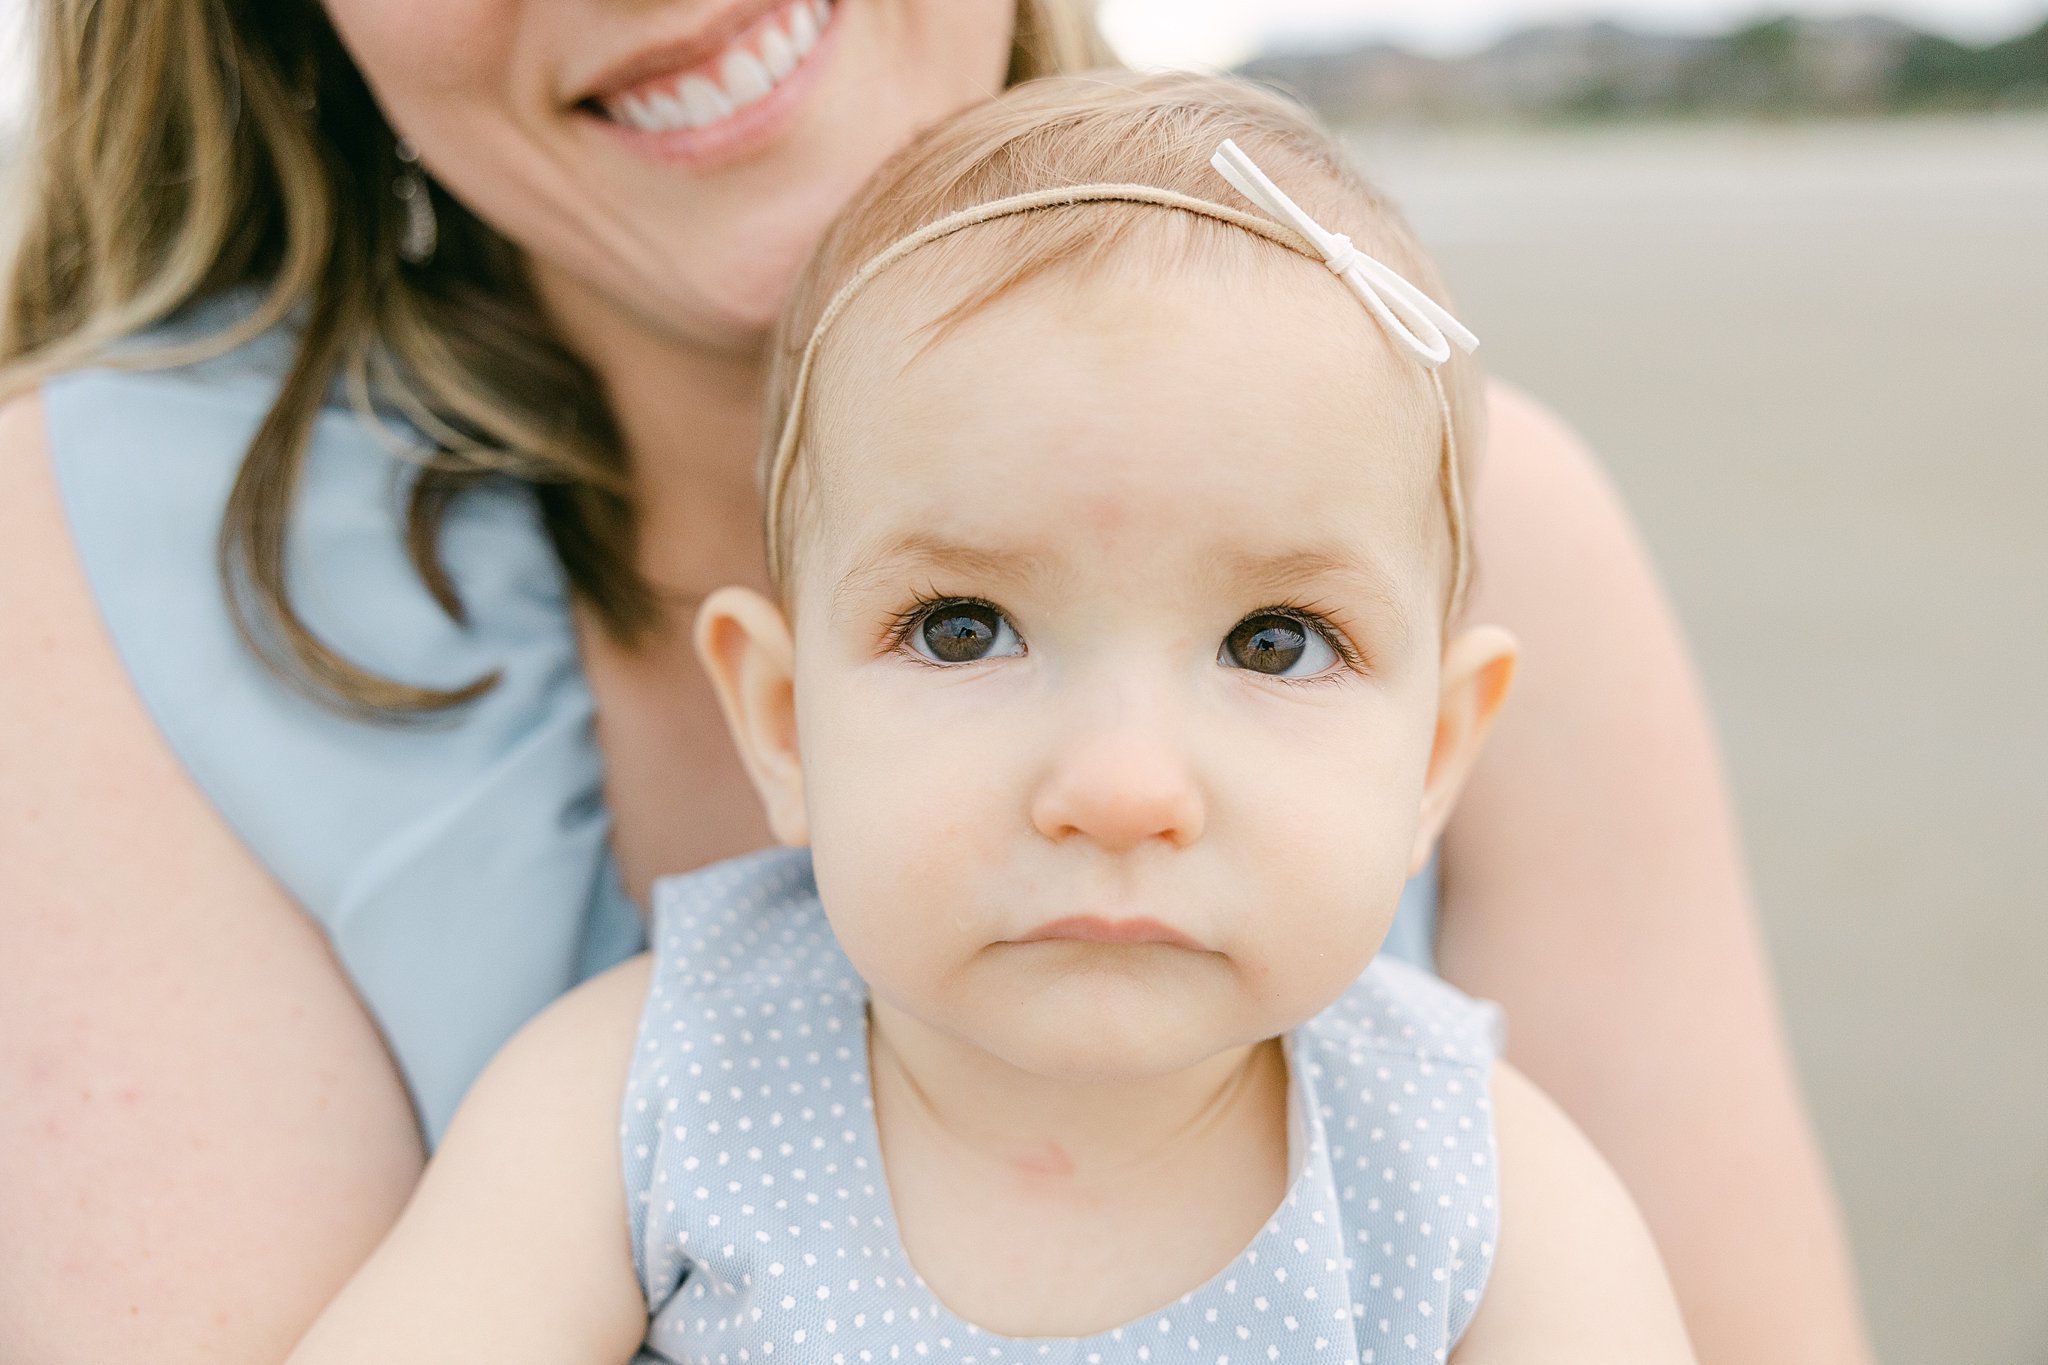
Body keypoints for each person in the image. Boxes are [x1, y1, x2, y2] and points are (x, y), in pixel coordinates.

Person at [0, 3, 1868, 1363]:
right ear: (783, 709)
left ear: (1449, 735)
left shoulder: (1457, 1180)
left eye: (1276, 644)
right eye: (961, 629)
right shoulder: (661, 1094)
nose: (1124, 780)